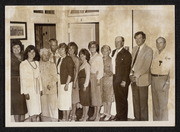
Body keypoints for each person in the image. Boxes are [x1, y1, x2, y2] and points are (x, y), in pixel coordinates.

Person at [130, 31, 153, 121]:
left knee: (143, 103)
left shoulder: (148, 50)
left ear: (144, 39)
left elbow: (146, 66)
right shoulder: (134, 49)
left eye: (140, 38)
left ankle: (143, 123)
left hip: (142, 80)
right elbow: (132, 63)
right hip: (133, 79)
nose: (138, 40)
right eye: (136, 38)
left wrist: (136, 75)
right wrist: (131, 74)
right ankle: (137, 119)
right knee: (135, 102)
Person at [151, 37, 171, 121]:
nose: (158, 44)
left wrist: (167, 83)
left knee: (163, 106)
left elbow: (171, 71)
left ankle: (164, 125)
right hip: (154, 79)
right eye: (157, 42)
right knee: (155, 105)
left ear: (165, 44)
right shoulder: (155, 53)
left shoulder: (168, 54)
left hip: (162, 80)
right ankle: (156, 125)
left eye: (161, 42)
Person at [20, 45, 42, 121]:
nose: (32, 54)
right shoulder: (23, 64)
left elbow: (39, 77)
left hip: (37, 90)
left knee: (37, 110)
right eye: (30, 52)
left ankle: (36, 124)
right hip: (29, 90)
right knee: (32, 110)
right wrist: (25, 92)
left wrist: (41, 89)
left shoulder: (37, 63)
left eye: (33, 52)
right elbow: (23, 79)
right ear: (27, 53)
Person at [111, 37, 132, 121]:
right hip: (115, 78)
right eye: (115, 42)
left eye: (119, 42)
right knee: (117, 98)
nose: (117, 43)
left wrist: (124, 80)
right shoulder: (113, 52)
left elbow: (127, 68)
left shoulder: (126, 53)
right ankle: (119, 115)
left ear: (122, 43)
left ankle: (123, 119)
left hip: (122, 80)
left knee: (123, 99)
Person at [57, 43, 74, 121]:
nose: (60, 50)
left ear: (66, 50)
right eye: (59, 49)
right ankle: (64, 117)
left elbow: (70, 73)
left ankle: (67, 119)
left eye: (62, 49)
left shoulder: (68, 59)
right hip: (60, 83)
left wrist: (67, 84)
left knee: (66, 101)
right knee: (62, 101)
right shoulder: (60, 59)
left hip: (66, 83)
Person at [39, 48, 58, 119]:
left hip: (51, 89)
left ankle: (55, 123)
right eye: (44, 55)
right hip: (42, 90)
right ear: (41, 55)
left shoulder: (52, 64)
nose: (46, 56)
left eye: (47, 55)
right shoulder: (38, 64)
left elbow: (55, 77)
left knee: (53, 108)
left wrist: (50, 84)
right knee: (44, 109)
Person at [11, 39, 27, 122]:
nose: (16, 49)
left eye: (18, 47)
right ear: (11, 49)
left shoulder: (24, 56)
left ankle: (22, 125)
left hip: (24, 84)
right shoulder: (9, 58)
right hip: (14, 85)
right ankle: (16, 125)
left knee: (23, 107)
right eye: (14, 47)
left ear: (20, 48)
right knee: (17, 107)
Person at [88, 41, 104, 121]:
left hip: (97, 78)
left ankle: (98, 115)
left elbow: (101, 69)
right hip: (91, 77)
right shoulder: (91, 57)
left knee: (97, 97)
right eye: (91, 47)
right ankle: (94, 114)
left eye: (94, 47)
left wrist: (98, 79)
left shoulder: (99, 57)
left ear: (96, 48)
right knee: (93, 97)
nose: (92, 48)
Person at [100, 45, 114, 121]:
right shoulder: (101, 59)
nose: (104, 52)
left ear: (109, 51)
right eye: (103, 51)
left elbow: (112, 72)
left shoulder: (111, 60)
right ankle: (105, 112)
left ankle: (108, 113)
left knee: (108, 98)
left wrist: (105, 73)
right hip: (102, 80)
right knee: (103, 97)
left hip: (109, 81)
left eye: (106, 51)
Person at [68, 42, 80, 121]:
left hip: (74, 80)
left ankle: (73, 115)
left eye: (72, 48)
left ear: (75, 49)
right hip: (68, 81)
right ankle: (70, 114)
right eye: (69, 48)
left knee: (74, 99)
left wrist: (75, 82)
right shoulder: (67, 58)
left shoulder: (76, 59)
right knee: (69, 99)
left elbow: (77, 72)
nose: (70, 50)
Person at [78, 49, 91, 121]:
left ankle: (86, 116)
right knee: (83, 101)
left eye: (83, 55)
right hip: (81, 84)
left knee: (86, 101)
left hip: (85, 85)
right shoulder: (82, 64)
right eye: (80, 55)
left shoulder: (87, 65)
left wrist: (85, 86)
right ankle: (84, 115)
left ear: (86, 56)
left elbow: (88, 76)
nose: (81, 56)